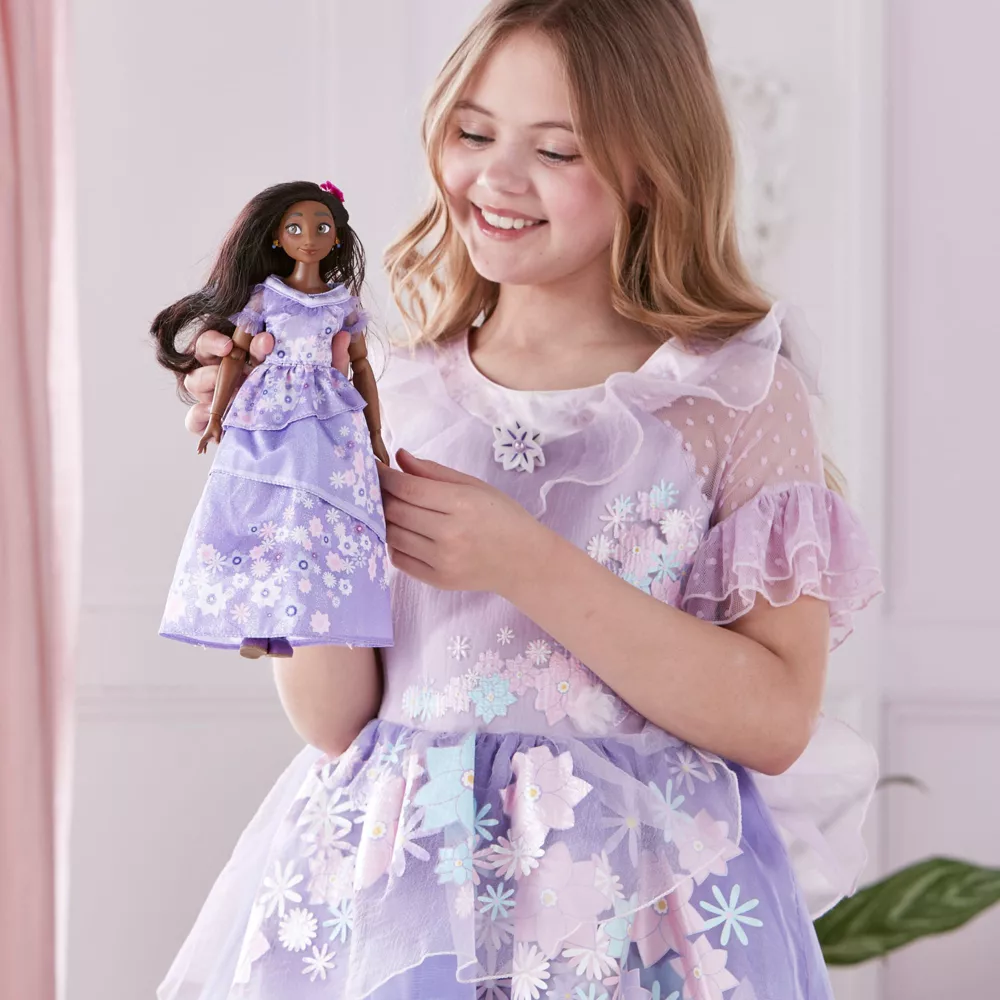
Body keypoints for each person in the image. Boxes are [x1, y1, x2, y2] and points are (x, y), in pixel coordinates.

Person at [158, 2, 883, 998]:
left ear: (650, 165)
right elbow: (336, 719)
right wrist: (284, 460)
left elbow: (774, 719)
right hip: (397, 906)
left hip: (633, 919)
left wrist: (525, 562)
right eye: (473, 132)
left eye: (555, 149)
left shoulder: (734, 396)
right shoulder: (391, 390)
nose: (497, 177)